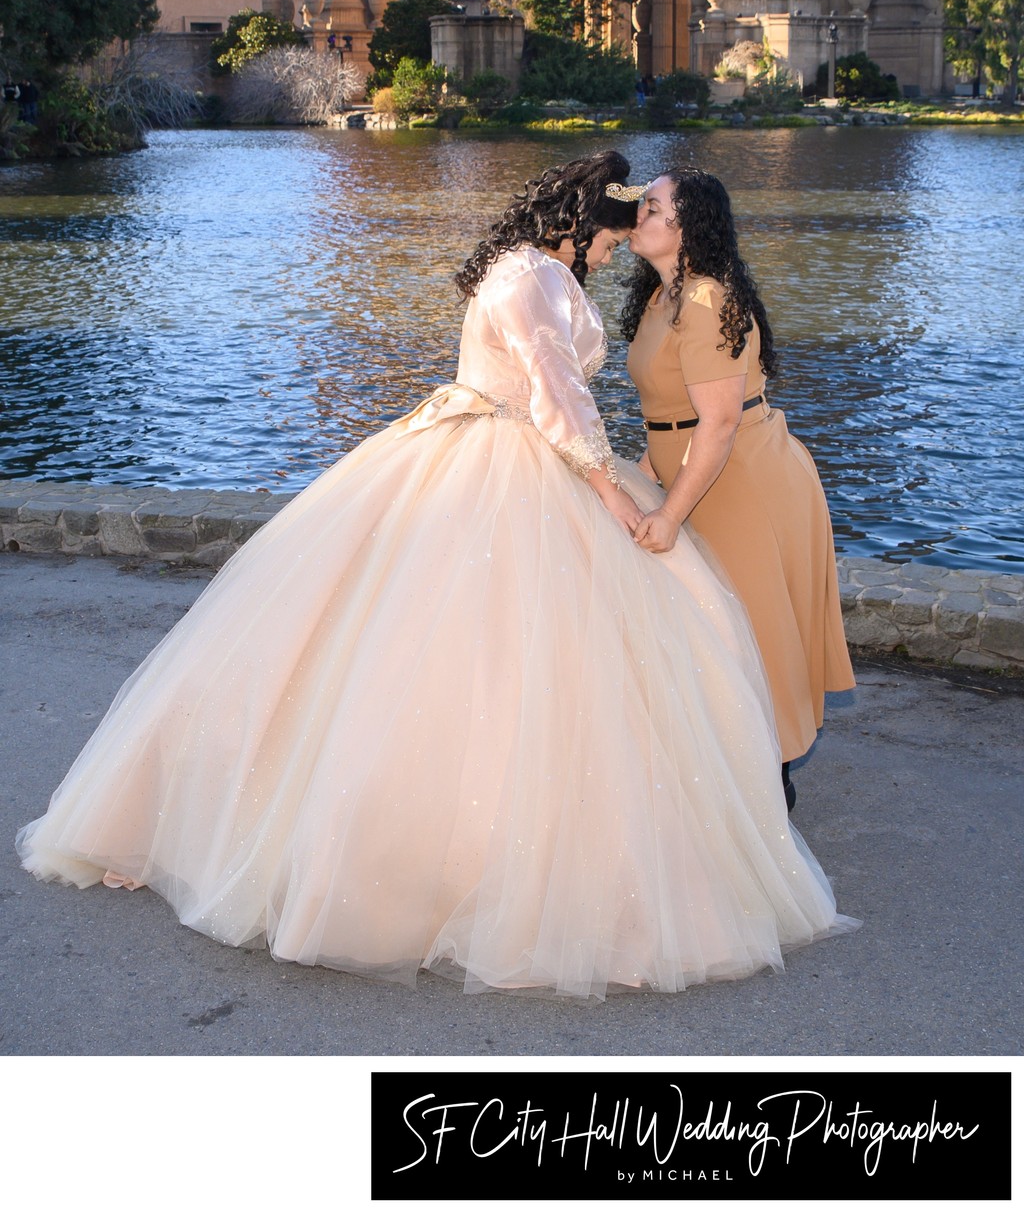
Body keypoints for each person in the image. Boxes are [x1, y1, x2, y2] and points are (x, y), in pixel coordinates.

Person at [17, 151, 855, 999]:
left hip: (502, 447)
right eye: (607, 237)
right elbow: (559, 399)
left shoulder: (535, 269)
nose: (610, 252)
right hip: (510, 459)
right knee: (486, 655)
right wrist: (617, 496)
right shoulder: (533, 278)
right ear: (578, 224)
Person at [622, 167, 856, 810]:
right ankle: (730, 778)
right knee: (712, 631)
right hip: (695, 471)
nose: (637, 216)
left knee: (752, 633)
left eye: (651, 207)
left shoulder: (707, 302)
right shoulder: (661, 297)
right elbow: (670, 412)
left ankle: (767, 796)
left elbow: (719, 423)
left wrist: (669, 513)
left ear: (687, 225)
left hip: (743, 481)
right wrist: (641, 474)